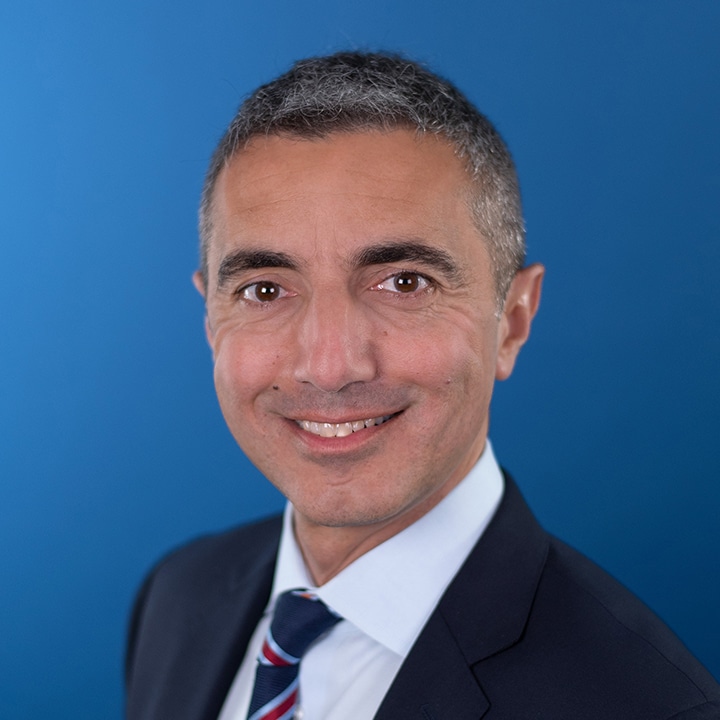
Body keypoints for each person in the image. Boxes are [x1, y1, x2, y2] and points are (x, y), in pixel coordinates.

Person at [125, 52, 720, 720]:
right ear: (210, 320)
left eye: (404, 283)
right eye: (264, 290)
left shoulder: (649, 706)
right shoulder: (177, 598)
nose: (330, 366)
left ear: (512, 321)